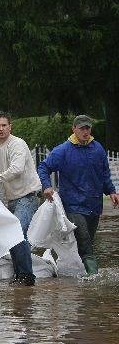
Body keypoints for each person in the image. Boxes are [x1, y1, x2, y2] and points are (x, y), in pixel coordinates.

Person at [37, 115, 119, 275]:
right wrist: (47, 186)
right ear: (74, 129)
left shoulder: (98, 149)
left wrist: (111, 191)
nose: (85, 131)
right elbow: (43, 167)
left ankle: (68, 270)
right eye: (81, 128)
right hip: (73, 205)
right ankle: (94, 278)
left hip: (94, 205)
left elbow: (104, 173)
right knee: (84, 240)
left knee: (86, 240)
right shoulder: (63, 150)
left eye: (87, 128)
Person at [0, 111, 40, 286]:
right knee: (11, 235)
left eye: (4, 125)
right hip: (12, 199)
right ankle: (19, 274)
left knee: (18, 233)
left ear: (10, 127)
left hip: (27, 196)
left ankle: (27, 276)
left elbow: (17, 169)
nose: (1, 129)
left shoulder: (17, 144)